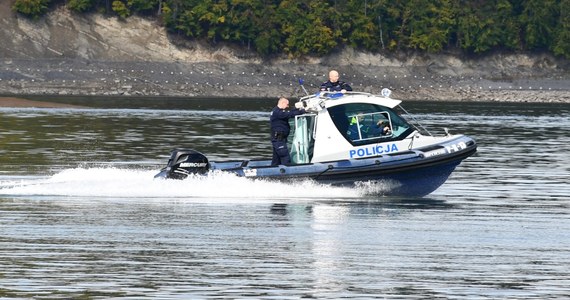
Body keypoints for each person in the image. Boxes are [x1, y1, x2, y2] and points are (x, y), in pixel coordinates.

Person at [270, 97, 305, 166]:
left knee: (276, 159)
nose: (288, 106)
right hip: (278, 139)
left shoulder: (277, 111)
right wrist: (302, 111)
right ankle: (289, 174)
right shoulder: (278, 112)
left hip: (279, 139)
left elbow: (290, 112)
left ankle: (273, 172)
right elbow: (290, 114)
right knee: (285, 157)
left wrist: (296, 108)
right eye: (287, 104)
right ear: (283, 103)